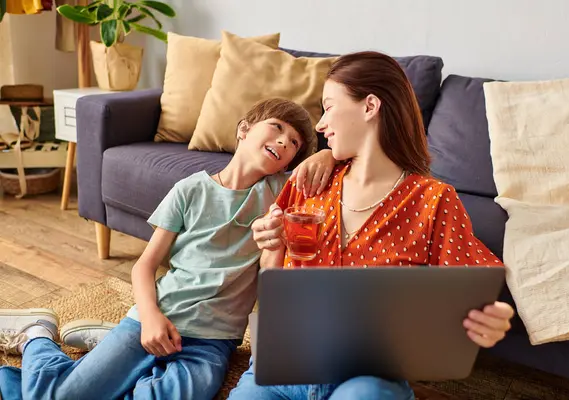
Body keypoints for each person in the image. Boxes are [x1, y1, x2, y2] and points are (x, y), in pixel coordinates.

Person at [228, 51, 515, 400]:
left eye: (329, 107)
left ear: (370, 106)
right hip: (285, 365)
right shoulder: (309, 184)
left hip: (367, 378)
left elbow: (476, 287)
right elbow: (271, 284)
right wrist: (272, 248)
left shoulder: (432, 200)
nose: (319, 125)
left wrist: (492, 317)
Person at [0, 98, 331, 400]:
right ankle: (37, 337)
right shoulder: (188, 190)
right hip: (156, 318)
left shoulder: (279, 192)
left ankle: (103, 354)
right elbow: (143, 266)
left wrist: (326, 152)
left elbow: (347, 161)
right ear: (244, 129)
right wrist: (150, 317)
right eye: (277, 128)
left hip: (211, 342)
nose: (284, 142)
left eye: (294, 144)